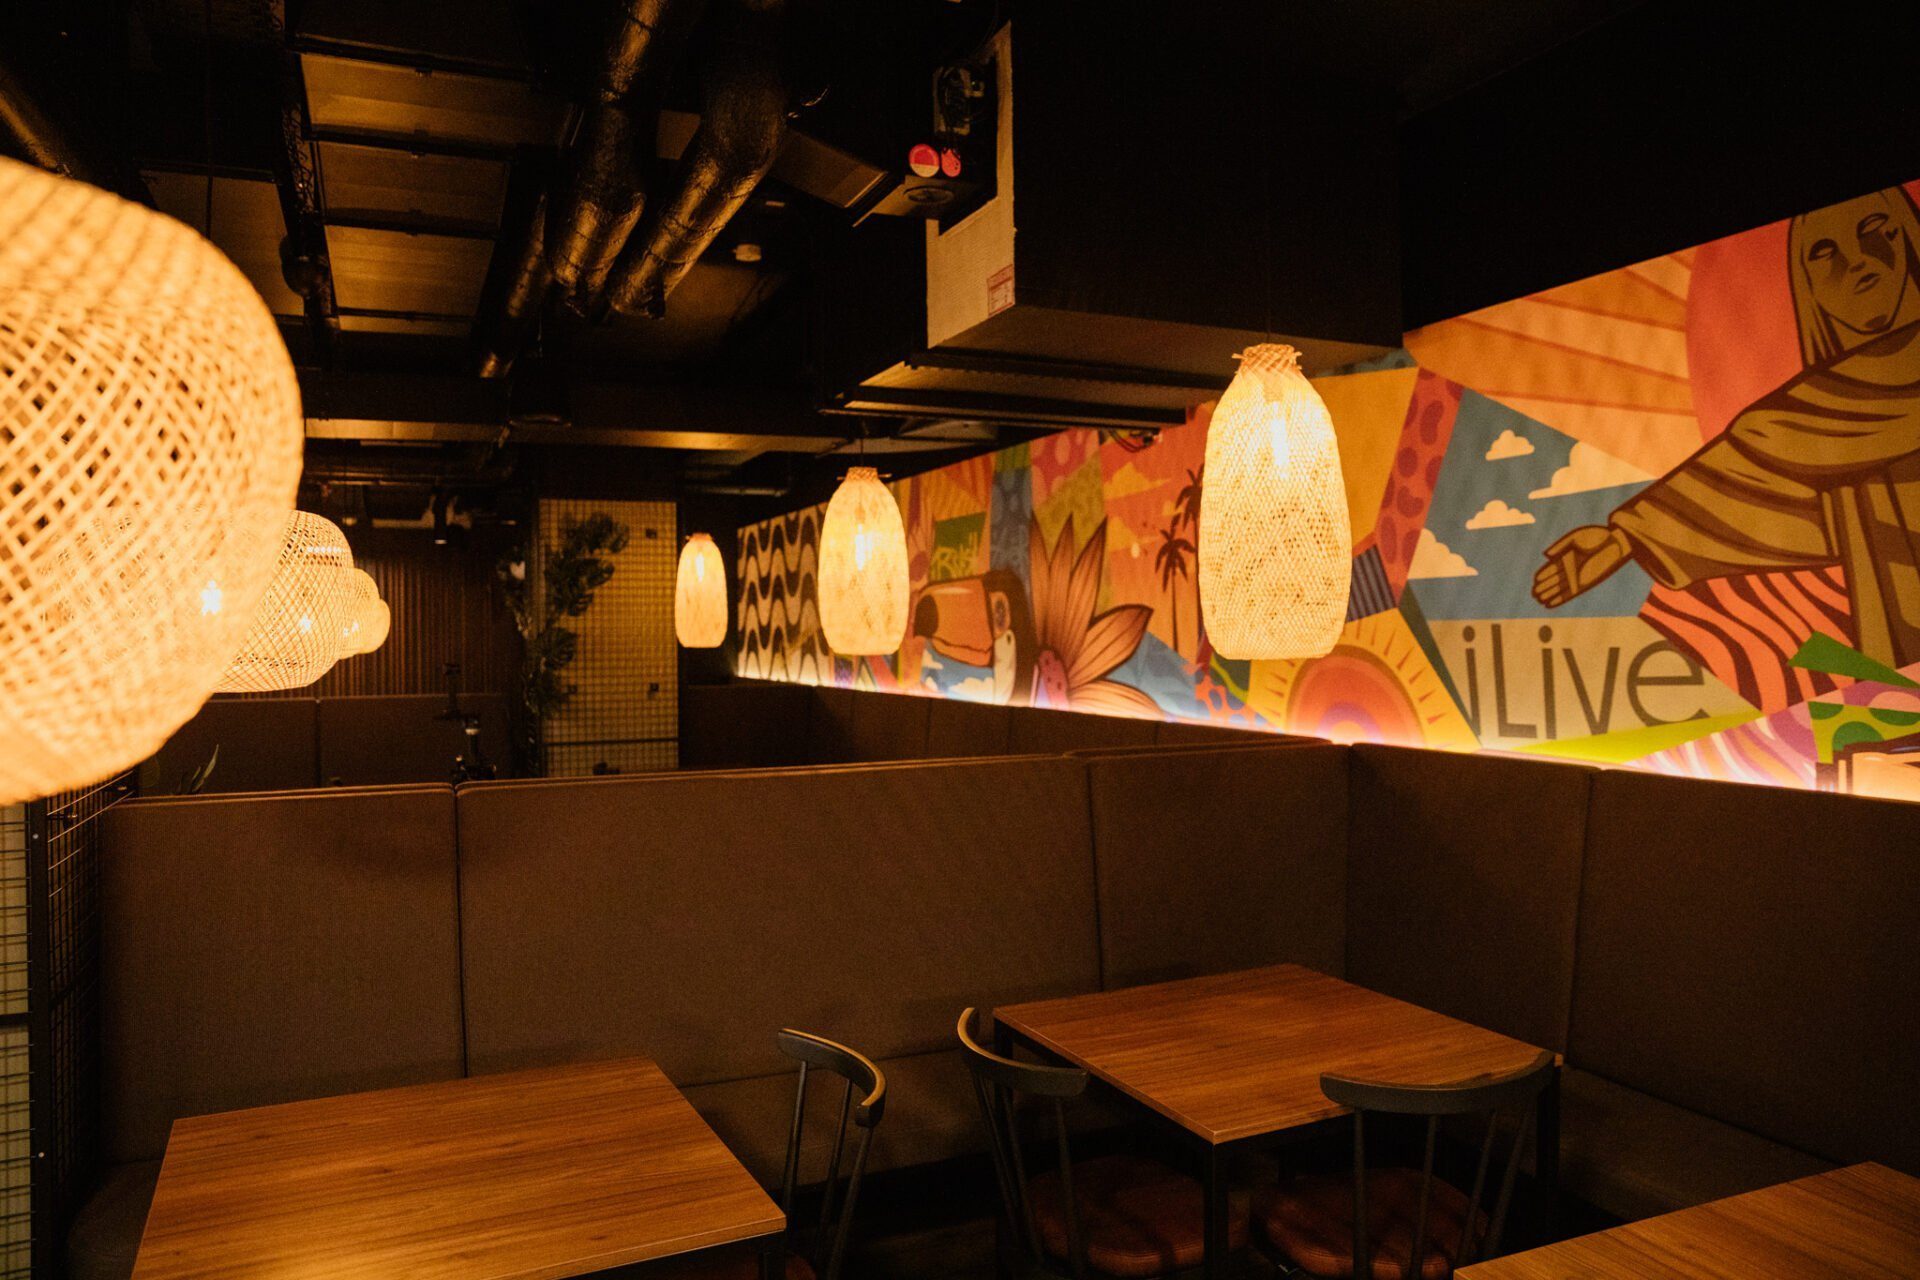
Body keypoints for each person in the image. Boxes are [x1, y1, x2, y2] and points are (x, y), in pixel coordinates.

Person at [1533, 186, 1920, 667]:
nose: (1855, 261)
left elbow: (1778, 440)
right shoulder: (1834, 450)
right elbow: (1775, 501)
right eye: (1823, 255)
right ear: (1810, 289)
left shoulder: (1819, 417)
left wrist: (1629, 536)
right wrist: (1625, 540)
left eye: (1874, 230)